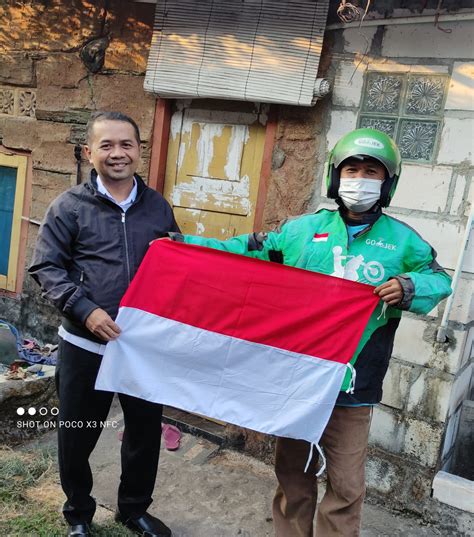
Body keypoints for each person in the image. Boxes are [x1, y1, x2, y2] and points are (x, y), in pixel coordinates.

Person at [167, 128, 452, 537]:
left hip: (353, 389)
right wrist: (184, 246)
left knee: (347, 486)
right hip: (297, 379)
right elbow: (244, 251)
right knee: (293, 479)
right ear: (335, 177)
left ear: (388, 183)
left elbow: (439, 279)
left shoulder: (404, 241)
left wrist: (410, 287)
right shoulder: (302, 232)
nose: (360, 178)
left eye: (372, 171)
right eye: (352, 169)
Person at [29, 111, 179, 537]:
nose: (118, 154)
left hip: (142, 346)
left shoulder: (157, 208)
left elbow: (174, 263)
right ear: (89, 152)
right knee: (78, 433)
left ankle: (133, 509)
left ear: (138, 150)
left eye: (126, 144)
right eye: (107, 145)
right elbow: (46, 267)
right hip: (85, 344)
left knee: (144, 432)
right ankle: (78, 513)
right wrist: (85, 308)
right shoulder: (69, 206)